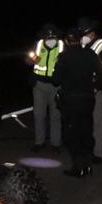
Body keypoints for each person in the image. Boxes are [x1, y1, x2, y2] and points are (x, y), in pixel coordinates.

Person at [52, 26, 102, 178]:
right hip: (87, 99)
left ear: (67, 41)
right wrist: (95, 87)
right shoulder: (90, 54)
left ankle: (78, 167)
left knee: (72, 133)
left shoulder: (64, 56)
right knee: (86, 131)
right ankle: (87, 165)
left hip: (70, 100)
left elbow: (55, 79)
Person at [75, 18, 102, 164]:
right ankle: (88, 149)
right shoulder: (82, 46)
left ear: (92, 33)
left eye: (85, 33)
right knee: (87, 121)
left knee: (99, 121)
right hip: (85, 89)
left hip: (99, 89)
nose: (83, 36)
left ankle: (100, 153)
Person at [29, 22, 64, 151]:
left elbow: (66, 64)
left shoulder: (62, 46)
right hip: (39, 85)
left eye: (52, 36)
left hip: (56, 86)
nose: (50, 39)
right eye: (47, 36)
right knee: (39, 114)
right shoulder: (38, 45)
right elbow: (28, 58)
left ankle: (55, 144)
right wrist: (32, 59)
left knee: (56, 115)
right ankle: (39, 142)